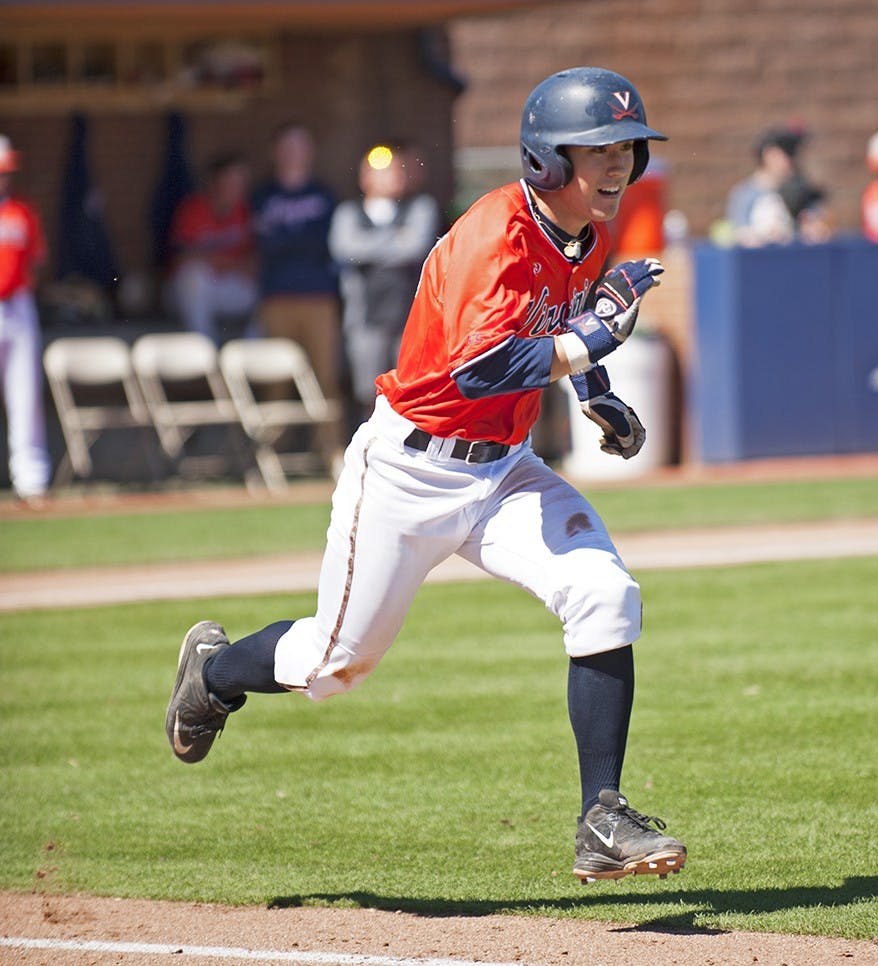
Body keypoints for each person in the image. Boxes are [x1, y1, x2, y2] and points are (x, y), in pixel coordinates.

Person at [165, 66, 687, 884]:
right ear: (548, 158)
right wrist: (593, 342)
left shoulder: (585, 231)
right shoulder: (493, 233)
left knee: (604, 594)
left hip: (503, 470)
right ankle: (215, 672)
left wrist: (598, 392)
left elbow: (562, 324)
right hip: (409, 472)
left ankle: (602, 817)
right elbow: (482, 369)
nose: (618, 164)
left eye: (627, 147)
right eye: (599, 149)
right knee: (334, 665)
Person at [329, 140, 439, 429]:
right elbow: (345, 249)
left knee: (411, 389)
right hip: (366, 316)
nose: (388, 177)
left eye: (394, 171)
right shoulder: (348, 212)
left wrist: (370, 252)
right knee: (369, 391)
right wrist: (394, 240)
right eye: (379, 171)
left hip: (410, 318)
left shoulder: (421, 207)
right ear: (364, 178)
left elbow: (416, 247)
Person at [252, 123, 342, 460]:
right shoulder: (263, 196)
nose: (294, 154)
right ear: (275, 152)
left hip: (319, 298)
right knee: (275, 378)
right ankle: (271, 451)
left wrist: (287, 240)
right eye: (287, 147)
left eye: (300, 146)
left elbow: (325, 244)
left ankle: (329, 449)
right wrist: (295, 242)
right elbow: (264, 244)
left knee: (324, 375)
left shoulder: (323, 195)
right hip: (275, 298)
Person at [0, 135, 50, 507]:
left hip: (17, 306)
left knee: (24, 395)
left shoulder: (22, 211)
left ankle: (31, 481)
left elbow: (37, 260)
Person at [166, 152, 256, 344]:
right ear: (214, 181)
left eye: (240, 180)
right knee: (194, 276)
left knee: (271, 287)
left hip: (228, 287)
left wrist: (216, 260)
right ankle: (204, 350)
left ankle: (249, 351)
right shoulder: (192, 209)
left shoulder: (248, 211)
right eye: (230, 179)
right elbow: (181, 259)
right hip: (185, 293)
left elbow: (254, 261)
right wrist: (228, 262)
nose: (236, 186)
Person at [725, 125, 829, 247]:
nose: (791, 161)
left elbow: (817, 225)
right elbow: (738, 232)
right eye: (786, 154)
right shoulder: (744, 194)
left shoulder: (803, 192)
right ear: (768, 155)